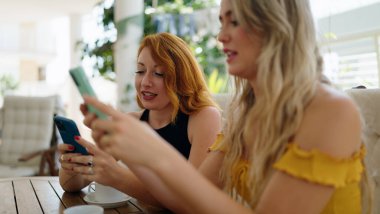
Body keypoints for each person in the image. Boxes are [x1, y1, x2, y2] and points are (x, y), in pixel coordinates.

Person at [75, 0, 371, 213]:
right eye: (222, 22)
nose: (220, 36)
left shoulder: (332, 111)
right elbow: (188, 198)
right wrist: (131, 150)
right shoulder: (248, 114)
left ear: (275, 26)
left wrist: (154, 150)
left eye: (235, 21)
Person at [58, 32, 222, 208]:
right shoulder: (132, 122)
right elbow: (73, 185)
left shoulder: (204, 117)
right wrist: (72, 165)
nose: (145, 82)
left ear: (182, 78)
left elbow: (195, 202)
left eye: (158, 73)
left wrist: (119, 177)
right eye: (140, 71)